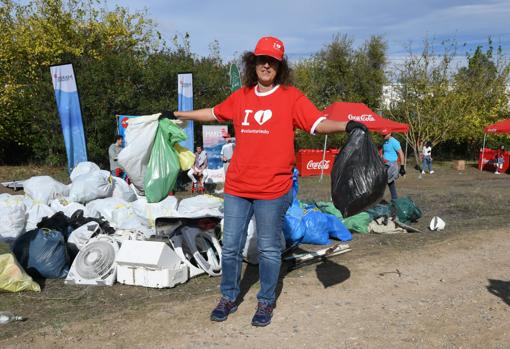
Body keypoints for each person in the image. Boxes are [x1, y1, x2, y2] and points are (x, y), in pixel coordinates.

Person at [174, 36, 366, 327]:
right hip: (238, 188)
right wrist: (178, 114)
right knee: (230, 247)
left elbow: (317, 123)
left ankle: (265, 302)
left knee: (268, 248)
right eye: (261, 59)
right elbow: (213, 113)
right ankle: (228, 296)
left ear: (279, 66)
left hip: (272, 190)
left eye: (272, 61)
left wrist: (347, 124)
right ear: (253, 63)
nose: (266, 65)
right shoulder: (241, 97)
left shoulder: (292, 97)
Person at [381, 129, 406, 200]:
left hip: (391, 165)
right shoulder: (385, 141)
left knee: (382, 182)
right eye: (382, 135)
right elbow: (384, 151)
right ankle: (394, 199)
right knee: (390, 183)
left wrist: (402, 166)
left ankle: (378, 200)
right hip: (385, 164)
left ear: (390, 133)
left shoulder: (394, 142)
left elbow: (401, 153)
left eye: (385, 135)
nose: (383, 136)